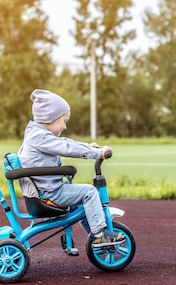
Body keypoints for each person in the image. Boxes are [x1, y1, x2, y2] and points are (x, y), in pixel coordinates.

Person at [17, 89, 126, 248]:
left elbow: (67, 143)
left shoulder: (38, 135)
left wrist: (87, 147)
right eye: (64, 120)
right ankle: (100, 236)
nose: (65, 126)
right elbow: (66, 147)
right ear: (50, 118)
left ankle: (96, 234)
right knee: (89, 192)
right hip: (49, 194)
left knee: (80, 204)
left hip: (46, 191)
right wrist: (97, 153)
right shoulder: (40, 137)